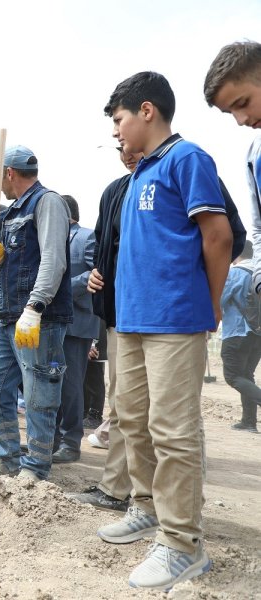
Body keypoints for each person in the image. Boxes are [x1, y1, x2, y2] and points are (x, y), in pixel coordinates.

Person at [94, 71, 231, 591]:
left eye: (120, 119)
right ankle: (146, 506)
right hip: (130, 318)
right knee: (133, 420)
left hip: (174, 316)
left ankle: (182, 543)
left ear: (146, 110)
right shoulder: (137, 176)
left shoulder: (186, 158)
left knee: (173, 431)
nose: (117, 131)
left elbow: (217, 236)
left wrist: (211, 304)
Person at [0, 145, 73, 482]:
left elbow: (53, 260)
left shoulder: (47, 203)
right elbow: (19, 265)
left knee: (38, 396)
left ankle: (35, 466)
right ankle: (9, 457)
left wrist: (35, 306)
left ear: (9, 173)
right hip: (8, 318)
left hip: (38, 319)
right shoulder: (10, 212)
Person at [204, 40, 261, 298]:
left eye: (243, 102)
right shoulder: (254, 156)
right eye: (230, 113)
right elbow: (258, 226)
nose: (241, 120)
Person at [52, 195, 100, 464]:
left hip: (77, 322)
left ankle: (71, 442)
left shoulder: (87, 237)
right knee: (51, 384)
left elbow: (97, 272)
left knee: (70, 386)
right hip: (51, 323)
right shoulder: (49, 238)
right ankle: (52, 441)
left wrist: (62, 291)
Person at [220, 247, 260, 432]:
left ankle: (249, 420)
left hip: (237, 332)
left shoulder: (235, 273)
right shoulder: (258, 272)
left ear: (235, 254)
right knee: (246, 376)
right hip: (258, 333)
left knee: (233, 376)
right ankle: (248, 422)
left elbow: (219, 300)